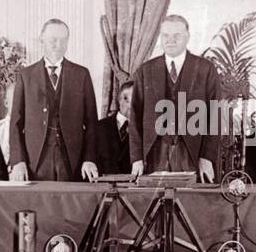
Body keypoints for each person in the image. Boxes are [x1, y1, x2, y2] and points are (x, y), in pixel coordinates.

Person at [128, 14, 221, 182]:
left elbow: (215, 116)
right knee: (155, 205)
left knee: (189, 203)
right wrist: (136, 158)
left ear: (187, 37)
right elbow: (135, 116)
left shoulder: (205, 69)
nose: (170, 40)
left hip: (192, 153)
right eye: (165, 36)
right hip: (155, 153)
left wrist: (207, 157)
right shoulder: (146, 70)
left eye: (176, 36)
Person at [8, 19, 99, 182]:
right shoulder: (26, 75)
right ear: (41, 40)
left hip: (73, 160)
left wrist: (89, 158)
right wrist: (18, 161)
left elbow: (92, 122)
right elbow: (16, 123)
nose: (59, 45)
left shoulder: (81, 74)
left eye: (64, 40)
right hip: (35, 161)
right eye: (53, 40)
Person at [95, 81, 133, 175]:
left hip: (131, 188)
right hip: (102, 186)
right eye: (138, 97)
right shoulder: (98, 127)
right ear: (124, 99)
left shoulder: (144, 130)